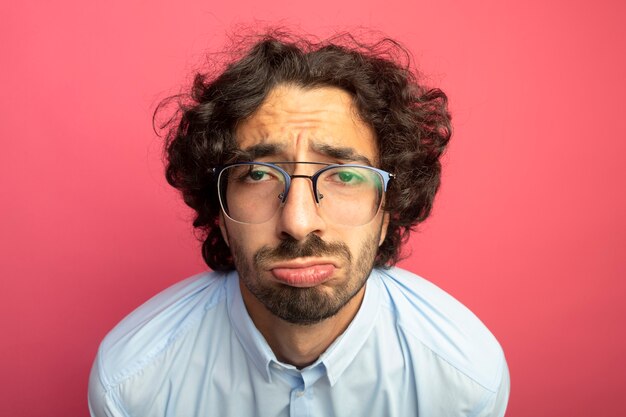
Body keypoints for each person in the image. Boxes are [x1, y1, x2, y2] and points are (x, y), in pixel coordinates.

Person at [88, 32, 510, 417]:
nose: (299, 223)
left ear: (388, 209)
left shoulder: (464, 382)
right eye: (258, 174)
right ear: (219, 211)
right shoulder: (132, 385)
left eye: (345, 175)